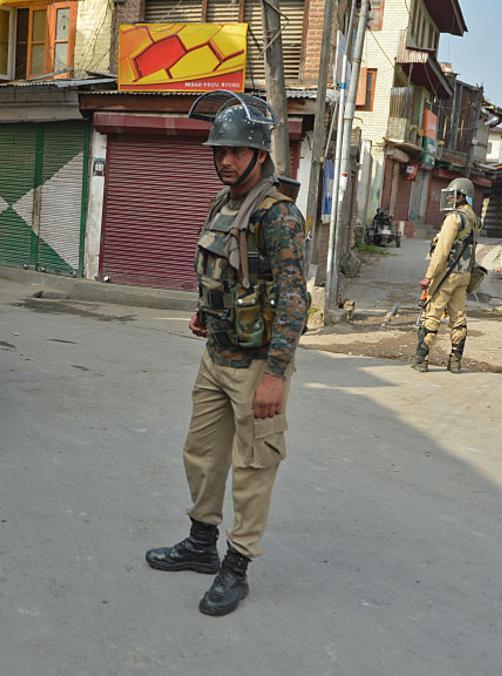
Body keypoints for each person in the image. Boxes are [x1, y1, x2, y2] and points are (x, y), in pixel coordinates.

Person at [144, 92, 308, 617]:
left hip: (258, 364)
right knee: (201, 453)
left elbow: (293, 298)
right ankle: (199, 544)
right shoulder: (225, 202)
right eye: (220, 150)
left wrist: (276, 376)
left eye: (236, 151)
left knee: (253, 465)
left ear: (260, 154)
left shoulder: (277, 214)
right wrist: (204, 310)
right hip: (216, 354)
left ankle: (236, 566)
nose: (225, 160)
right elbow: (224, 270)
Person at [412, 177, 482, 373]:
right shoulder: (474, 219)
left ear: (461, 196)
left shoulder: (454, 218)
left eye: (454, 194)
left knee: (432, 314)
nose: (450, 198)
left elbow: (442, 251)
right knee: (458, 317)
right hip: (465, 274)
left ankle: (421, 360)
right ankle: (455, 362)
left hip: (447, 274)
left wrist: (429, 276)